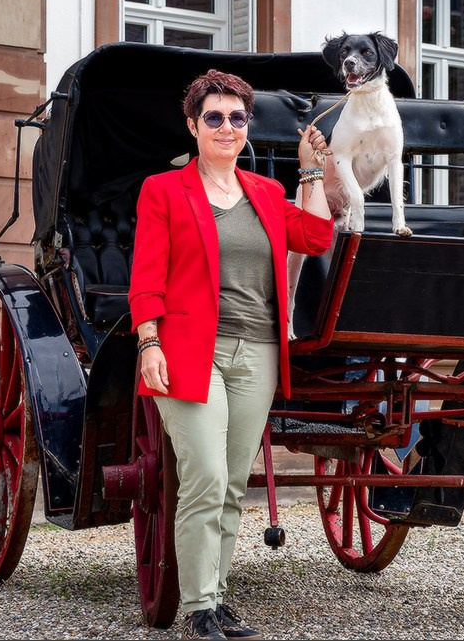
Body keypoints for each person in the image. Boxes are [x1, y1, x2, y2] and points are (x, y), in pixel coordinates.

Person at [128, 69, 334, 640]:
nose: (226, 126)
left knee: (234, 483)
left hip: (259, 352)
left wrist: (310, 170)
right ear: (193, 125)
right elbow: (145, 278)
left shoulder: (266, 193)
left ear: (247, 128)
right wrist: (149, 341)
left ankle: (218, 602)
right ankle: (197, 607)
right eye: (213, 117)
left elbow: (316, 238)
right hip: (190, 350)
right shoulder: (163, 191)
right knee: (206, 474)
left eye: (237, 117)